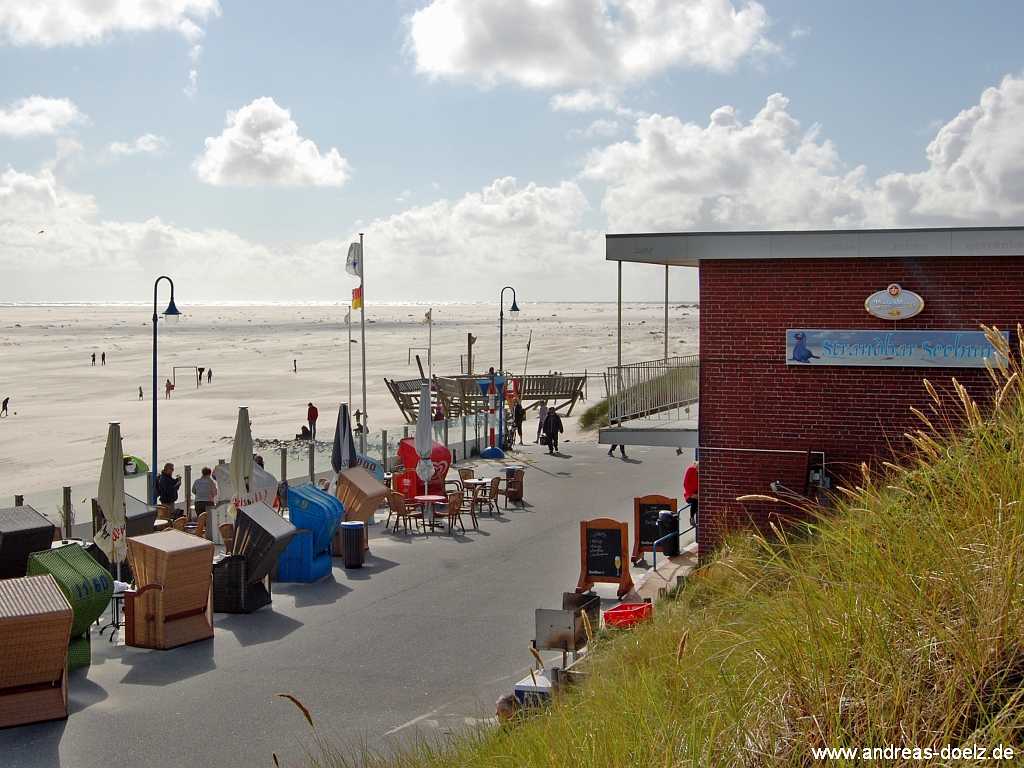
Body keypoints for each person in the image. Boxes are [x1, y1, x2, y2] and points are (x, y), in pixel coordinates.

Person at [683, 460, 699, 528]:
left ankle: (693, 518)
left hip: (697, 493)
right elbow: (685, 483)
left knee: (698, 502)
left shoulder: (700, 473)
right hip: (689, 494)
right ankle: (692, 518)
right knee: (695, 502)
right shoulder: (691, 470)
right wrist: (691, 494)